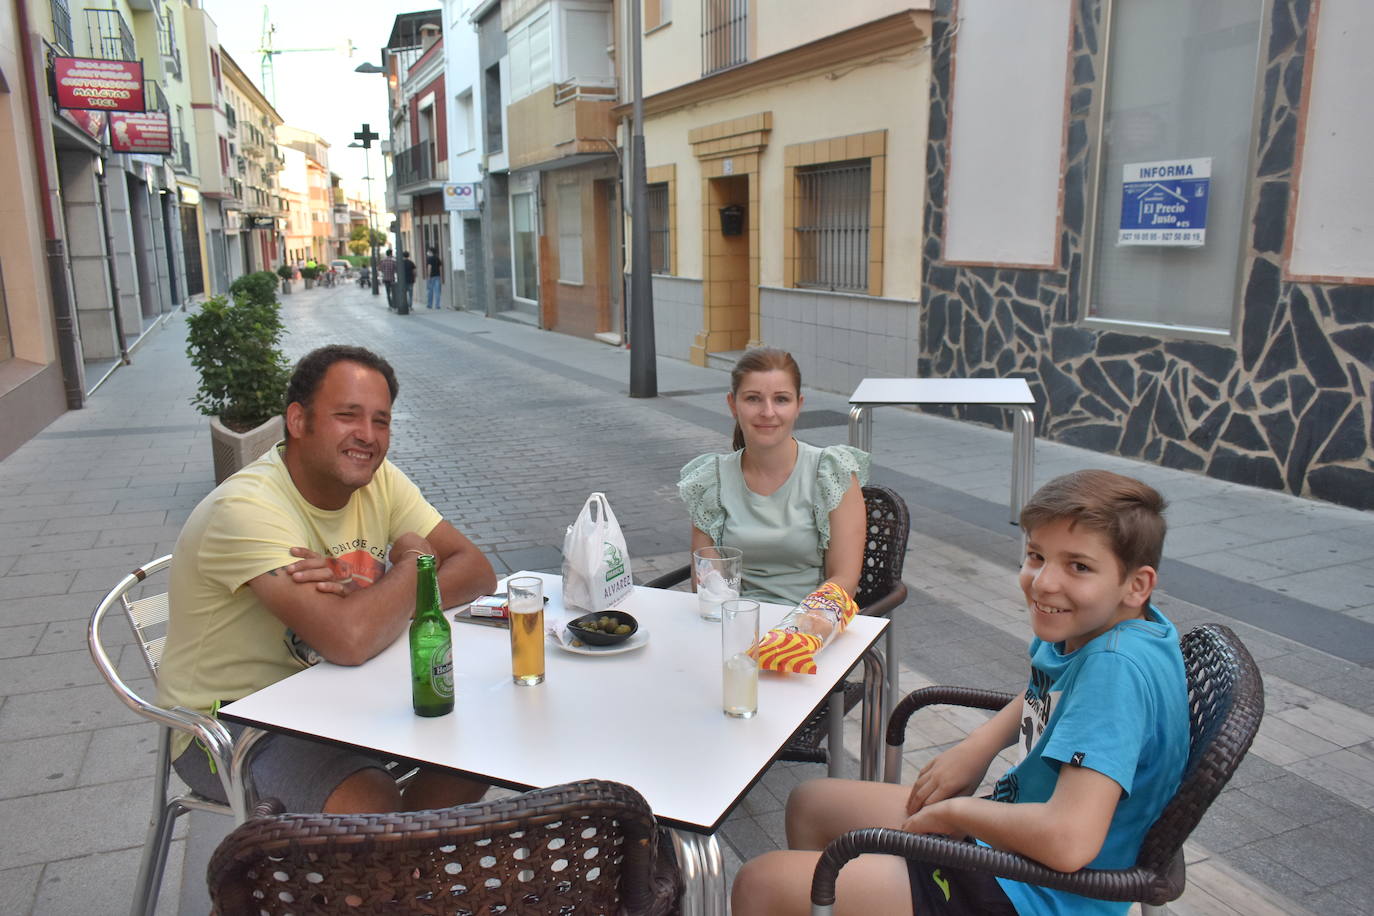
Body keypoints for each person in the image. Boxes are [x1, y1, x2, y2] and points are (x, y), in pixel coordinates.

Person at [730, 470, 1189, 916]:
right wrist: (980, 744)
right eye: (1036, 555)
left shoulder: (1115, 670)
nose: (1045, 582)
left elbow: (1068, 841)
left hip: (1035, 893)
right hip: (1012, 843)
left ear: (1137, 584)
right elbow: (1052, 695)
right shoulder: (1111, 627)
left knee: (761, 884)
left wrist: (960, 814)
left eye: (1079, 566)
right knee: (811, 804)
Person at [158, 345, 498, 814]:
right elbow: (350, 638)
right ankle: (385, 862)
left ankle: (402, 862)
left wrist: (371, 600)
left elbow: (476, 569)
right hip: (230, 725)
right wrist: (413, 561)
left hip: (333, 693)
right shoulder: (247, 509)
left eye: (381, 420)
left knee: (480, 732)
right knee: (370, 803)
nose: (368, 436)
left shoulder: (380, 481)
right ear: (298, 421)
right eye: (347, 415)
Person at [678, 348, 868, 606]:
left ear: (798, 405)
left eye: (781, 399)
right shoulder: (712, 480)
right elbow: (707, 579)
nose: (768, 412)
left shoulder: (831, 473)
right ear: (733, 404)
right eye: (753, 399)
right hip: (734, 622)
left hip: (809, 625)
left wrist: (794, 632)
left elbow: (844, 579)